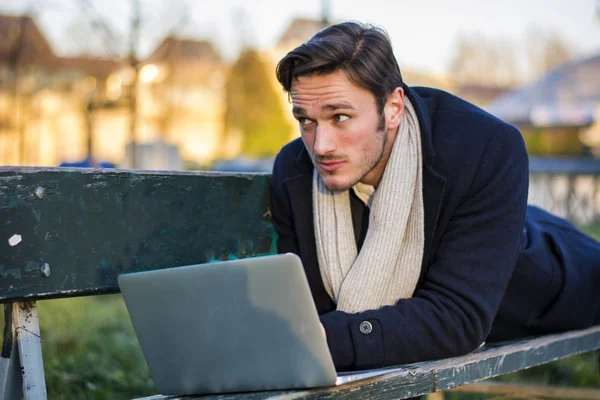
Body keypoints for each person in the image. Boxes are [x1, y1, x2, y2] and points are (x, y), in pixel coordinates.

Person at [270, 21, 600, 371]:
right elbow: (309, 306)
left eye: (340, 116)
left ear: (393, 107)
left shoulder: (483, 146)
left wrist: (325, 338)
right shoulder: (294, 170)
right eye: (306, 121)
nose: (320, 146)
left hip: (539, 282)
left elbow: (458, 318)